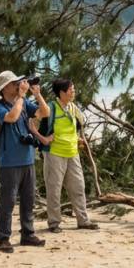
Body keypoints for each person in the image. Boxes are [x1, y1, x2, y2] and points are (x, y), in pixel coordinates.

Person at [0, 71, 51, 252]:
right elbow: (12, 117)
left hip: (28, 159)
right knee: (7, 202)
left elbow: (45, 112)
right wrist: (22, 96)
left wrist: (37, 95)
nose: (18, 85)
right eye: (14, 83)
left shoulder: (24, 102)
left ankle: (28, 234)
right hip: (9, 161)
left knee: (28, 200)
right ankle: (3, 238)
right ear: (4, 88)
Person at [37, 79, 98, 233]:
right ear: (61, 92)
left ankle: (83, 220)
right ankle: (54, 223)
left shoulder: (73, 107)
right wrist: (43, 139)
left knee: (78, 187)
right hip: (54, 153)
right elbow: (34, 122)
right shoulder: (51, 107)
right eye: (71, 90)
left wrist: (78, 138)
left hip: (72, 152)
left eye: (73, 89)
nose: (73, 92)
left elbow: (76, 126)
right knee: (54, 189)